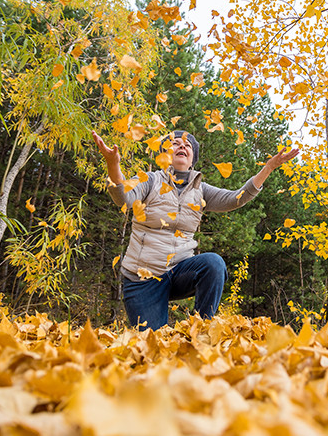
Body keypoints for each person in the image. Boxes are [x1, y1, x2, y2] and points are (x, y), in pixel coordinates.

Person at [92, 129, 298, 330]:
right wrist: (113, 164)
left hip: (180, 272)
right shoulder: (150, 180)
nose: (182, 145)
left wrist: (269, 167)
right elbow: (123, 199)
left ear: (192, 160)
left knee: (213, 263)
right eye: (175, 143)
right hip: (143, 278)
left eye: (187, 145)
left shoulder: (201, 190)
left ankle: (202, 329)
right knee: (153, 347)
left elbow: (238, 198)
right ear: (164, 155)